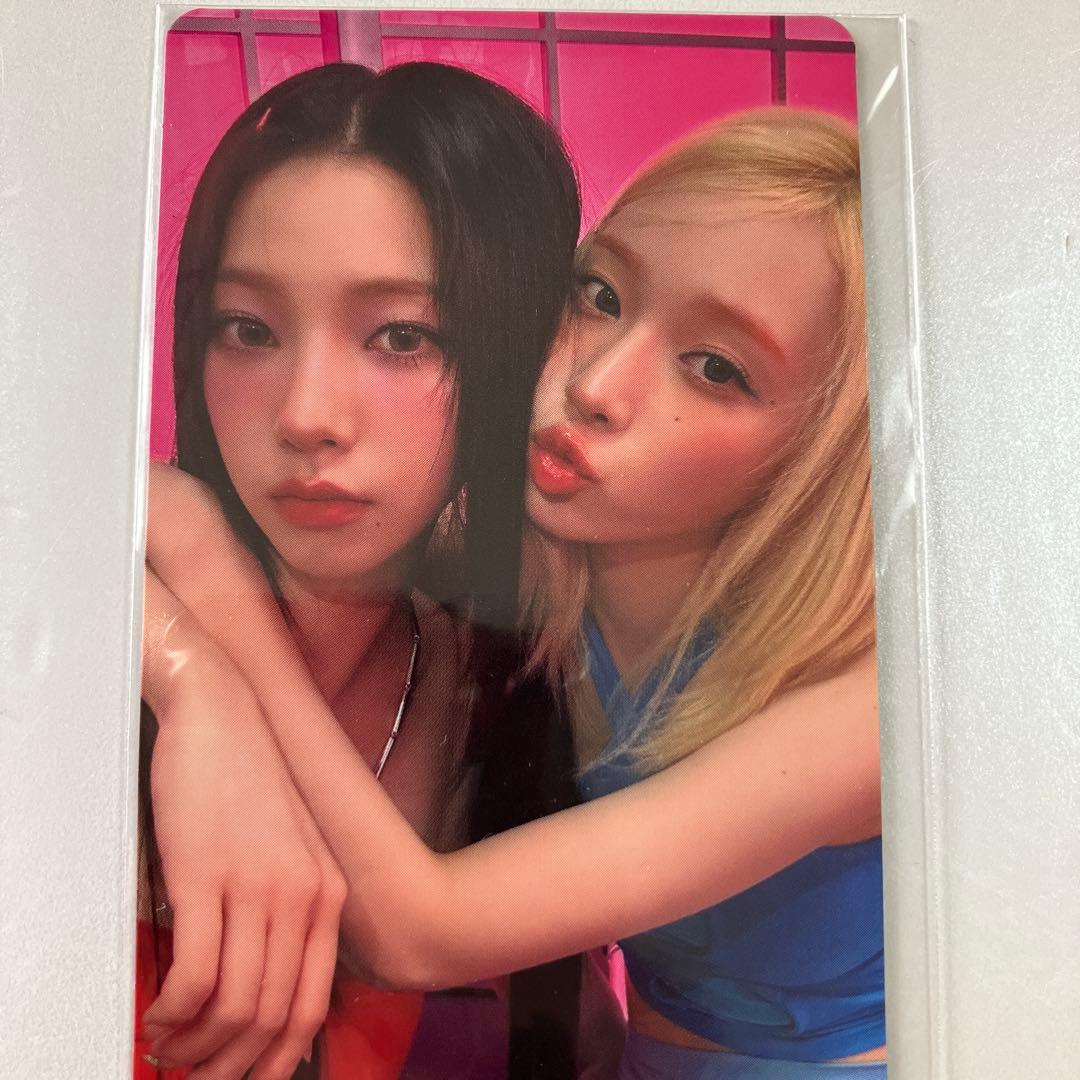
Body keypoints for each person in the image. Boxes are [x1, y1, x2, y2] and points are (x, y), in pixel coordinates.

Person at [144, 107, 884, 1079]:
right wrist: (191, 684)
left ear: (826, 451)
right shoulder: (545, 568)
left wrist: (207, 581)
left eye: (715, 368)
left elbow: (420, 930)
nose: (598, 385)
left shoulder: (864, 705)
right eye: (601, 295)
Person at [136, 60, 581, 1080]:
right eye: (248, 329)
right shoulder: (78, 608)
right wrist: (190, 683)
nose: (307, 416)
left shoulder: (501, 687)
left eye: (401, 336)